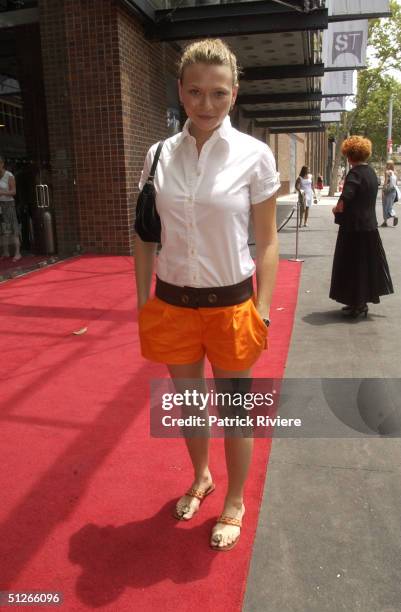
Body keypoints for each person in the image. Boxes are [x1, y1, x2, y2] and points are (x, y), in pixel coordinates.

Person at [135, 38, 280, 551]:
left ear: (234, 94)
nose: (205, 103)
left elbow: (267, 241)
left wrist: (261, 310)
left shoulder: (254, 155)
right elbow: (145, 233)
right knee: (191, 407)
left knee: (235, 411)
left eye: (218, 93)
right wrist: (142, 300)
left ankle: (235, 499)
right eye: (195, 91)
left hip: (231, 305)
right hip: (173, 303)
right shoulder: (158, 155)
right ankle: (201, 476)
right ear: (180, 90)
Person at [330, 136, 393, 318]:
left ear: (349, 155)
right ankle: (359, 301)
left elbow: (346, 197)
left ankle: (356, 303)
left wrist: (337, 208)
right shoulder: (372, 173)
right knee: (365, 266)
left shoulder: (355, 173)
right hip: (370, 228)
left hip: (353, 229)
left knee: (351, 265)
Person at [0, 154, 21, 262]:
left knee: (13, 228)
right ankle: (5, 251)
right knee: (3, 229)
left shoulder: (9, 175)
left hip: (8, 204)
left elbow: (13, 192)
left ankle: (17, 252)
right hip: (0, 205)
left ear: (2, 164)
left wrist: (2, 192)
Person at [381, 160, 398, 227]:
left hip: (387, 192)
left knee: (385, 206)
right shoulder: (395, 172)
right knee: (389, 206)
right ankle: (385, 222)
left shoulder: (387, 172)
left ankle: (394, 216)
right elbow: (396, 183)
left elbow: (385, 182)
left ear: (388, 165)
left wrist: (383, 190)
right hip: (393, 191)